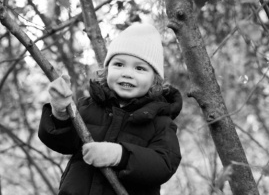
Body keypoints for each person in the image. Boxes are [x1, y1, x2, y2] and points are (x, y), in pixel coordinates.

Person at [39, 23, 182, 195]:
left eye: (139, 68)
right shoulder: (89, 106)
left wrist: (120, 156)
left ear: (155, 80)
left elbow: (164, 165)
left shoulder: (160, 122)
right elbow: (63, 143)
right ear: (106, 71)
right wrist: (59, 112)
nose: (127, 73)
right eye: (119, 64)